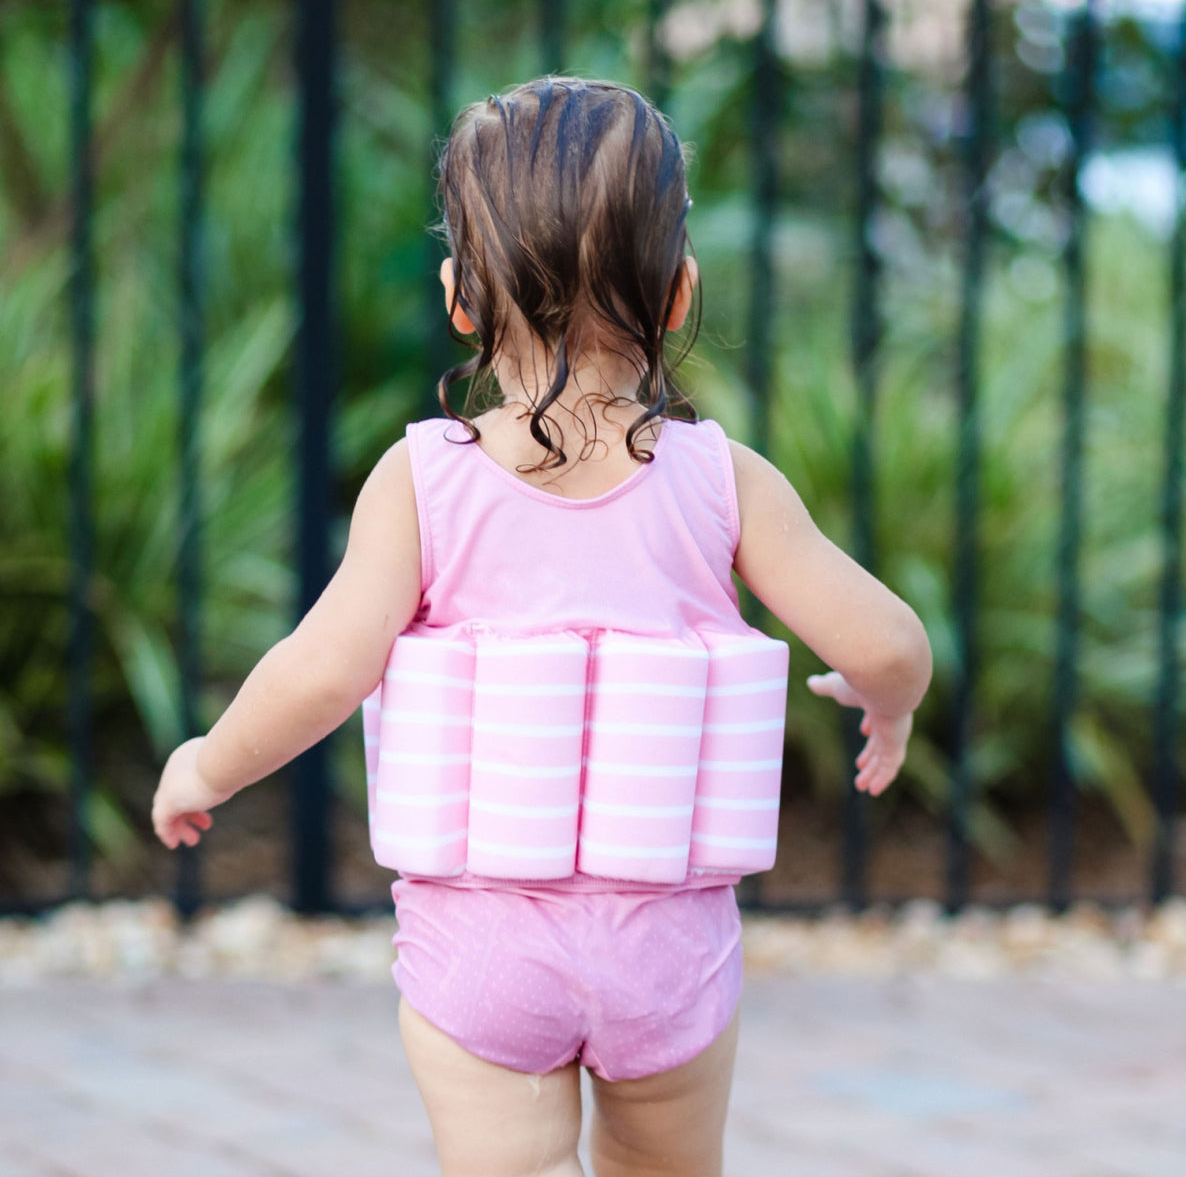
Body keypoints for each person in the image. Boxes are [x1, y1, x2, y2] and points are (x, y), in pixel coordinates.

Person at [152, 76, 932, 1177]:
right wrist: (883, 705)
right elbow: (891, 642)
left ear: (460, 300)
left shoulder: (422, 482)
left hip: (484, 958)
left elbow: (322, 672)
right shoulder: (726, 483)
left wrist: (205, 766)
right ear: (678, 295)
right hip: (665, 960)